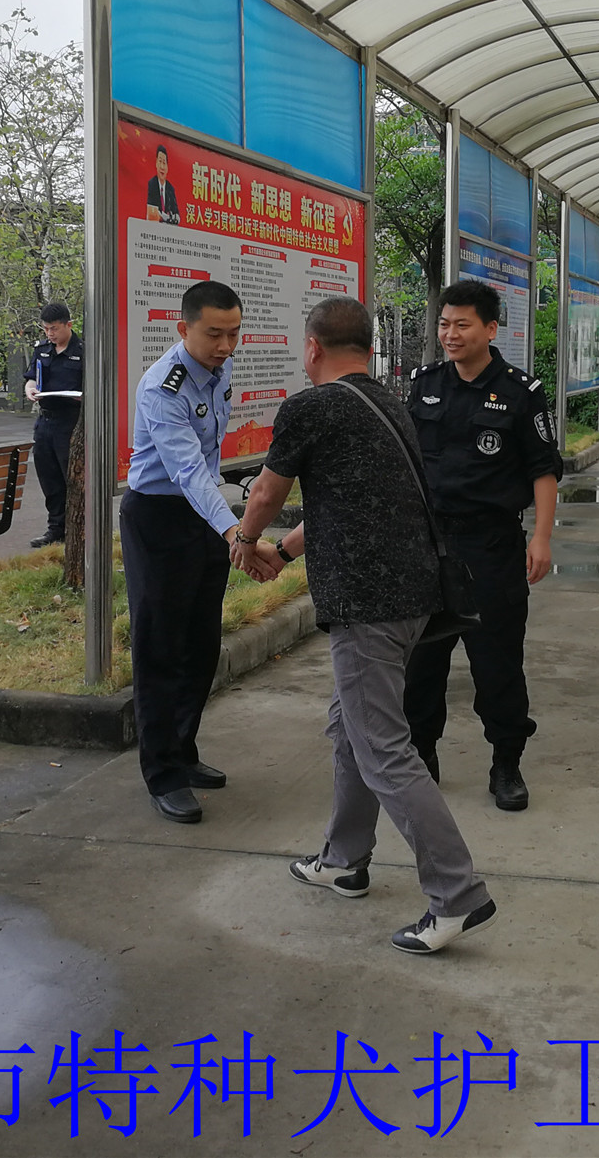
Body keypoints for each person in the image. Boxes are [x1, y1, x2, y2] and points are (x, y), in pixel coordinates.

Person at [237, 295, 498, 955]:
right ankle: (344, 859)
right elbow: (344, 503)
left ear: (313, 347)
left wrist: (244, 541)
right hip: (413, 598)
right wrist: (284, 553)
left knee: (382, 747)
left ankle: (457, 893)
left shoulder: (310, 408)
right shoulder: (389, 403)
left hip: (366, 604)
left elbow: (266, 492)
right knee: (349, 726)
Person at [402, 280, 563, 811]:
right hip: (429, 544)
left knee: (497, 662)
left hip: (491, 546)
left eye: (462, 325)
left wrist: (541, 537)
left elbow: (543, 470)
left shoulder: (521, 391)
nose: (450, 334)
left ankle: (506, 763)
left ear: (491, 329)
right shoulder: (425, 383)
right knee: (422, 661)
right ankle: (422, 754)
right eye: (444, 324)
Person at [121, 280, 260, 824]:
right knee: (159, 647)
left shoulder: (220, 371)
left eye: (234, 334)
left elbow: (209, 461)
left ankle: (183, 748)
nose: (225, 346)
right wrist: (235, 531)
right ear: (184, 329)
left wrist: (223, 525)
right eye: (214, 334)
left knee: (200, 644)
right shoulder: (164, 386)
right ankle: (162, 774)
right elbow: (186, 469)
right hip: (157, 517)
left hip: (203, 515)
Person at [24, 302, 83, 549]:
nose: (50, 334)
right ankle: (55, 529)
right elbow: (31, 378)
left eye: (55, 328)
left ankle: (78, 529)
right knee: (49, 478)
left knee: (72, 478)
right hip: (45, 421)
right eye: (46, 329)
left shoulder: (83, 351)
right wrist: (30, 389)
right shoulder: (42, 349)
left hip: (70, 422)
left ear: (69, 325)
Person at [147, 144, 180, 225]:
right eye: (160, 162)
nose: (162, 167)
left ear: (167, 167)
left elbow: (177, 215)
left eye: (164, 163)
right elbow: (151, 212)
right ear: (156, 163)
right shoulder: (152, 184)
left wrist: (174, 217)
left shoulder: (170, 189)